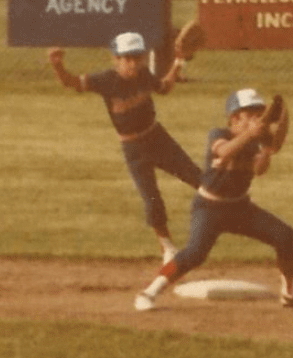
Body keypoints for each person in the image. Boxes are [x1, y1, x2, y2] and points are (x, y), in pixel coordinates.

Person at [134, 87, 293, 312]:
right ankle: (150, 291)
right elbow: (224, 152)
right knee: (194, 254)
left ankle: (290, 293)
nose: (257, 119)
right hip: (209, 207)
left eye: (259, 114)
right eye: (250, 114)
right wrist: (252, 135)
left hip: (241, 208)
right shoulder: (218, 134)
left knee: (286, 236)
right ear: (234, 118)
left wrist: (266, 149)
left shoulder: (256, 141)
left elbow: (259, 169)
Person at [48, 32, 201, 263]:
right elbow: (70, 82)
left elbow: (164, 87)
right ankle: (168, 247)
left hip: (158, 138)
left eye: (136, 57)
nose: (132, 63)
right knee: (151, 199)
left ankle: (221, 220)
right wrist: (58, 66)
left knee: (197, 178)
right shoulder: (105, 80)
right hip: (133, 148)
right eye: (126, 58)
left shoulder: (144, 75)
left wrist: (178, 61)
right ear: (115, 59)